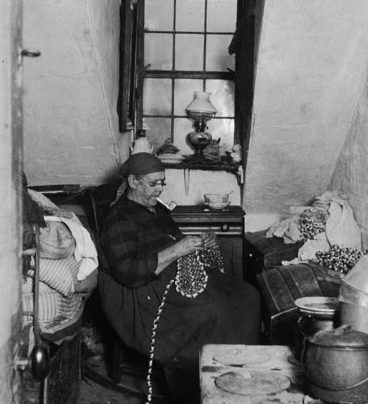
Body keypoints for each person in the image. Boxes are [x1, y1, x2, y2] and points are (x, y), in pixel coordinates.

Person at [97, 152, 260, 403]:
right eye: (154, 184)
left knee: (246, 295)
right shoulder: (118, 219)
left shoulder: (156, 210)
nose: (160, 189)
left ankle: (235, 376)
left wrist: (199, 243)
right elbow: (128, 274)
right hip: (143, 293)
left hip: (172, 275)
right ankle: (197, 389)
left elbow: (173, 239)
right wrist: (179, 249)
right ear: (132, 182)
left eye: (163, 182)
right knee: (210, 308)